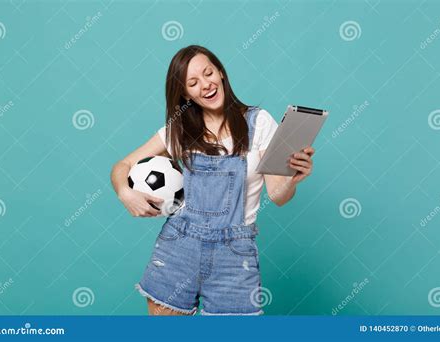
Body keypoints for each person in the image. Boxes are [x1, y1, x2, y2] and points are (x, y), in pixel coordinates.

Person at [110, 45, 315, 315]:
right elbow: (122, 166)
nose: (205, 85)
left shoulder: (259, 123)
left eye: (208, 73)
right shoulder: (180, 128)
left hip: (235, 253)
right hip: (179, 246)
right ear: (185, 93)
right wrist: (126, 193)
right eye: (193, 83)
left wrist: (292, 178)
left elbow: (277, 196)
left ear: (220, 71)